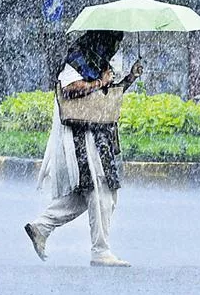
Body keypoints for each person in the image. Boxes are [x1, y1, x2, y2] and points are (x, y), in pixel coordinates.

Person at [24, 31, 143, 266]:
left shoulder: (99, 62)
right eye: (114, 41)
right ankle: (100, 251)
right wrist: (100, 81)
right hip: (83, 137)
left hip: (98, 134)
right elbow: (70, 88)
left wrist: (130, 78)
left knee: (88, 193)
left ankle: (41, 227)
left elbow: (105, 96)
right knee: (101, 190)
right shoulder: (78, 58)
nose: (116, 46)